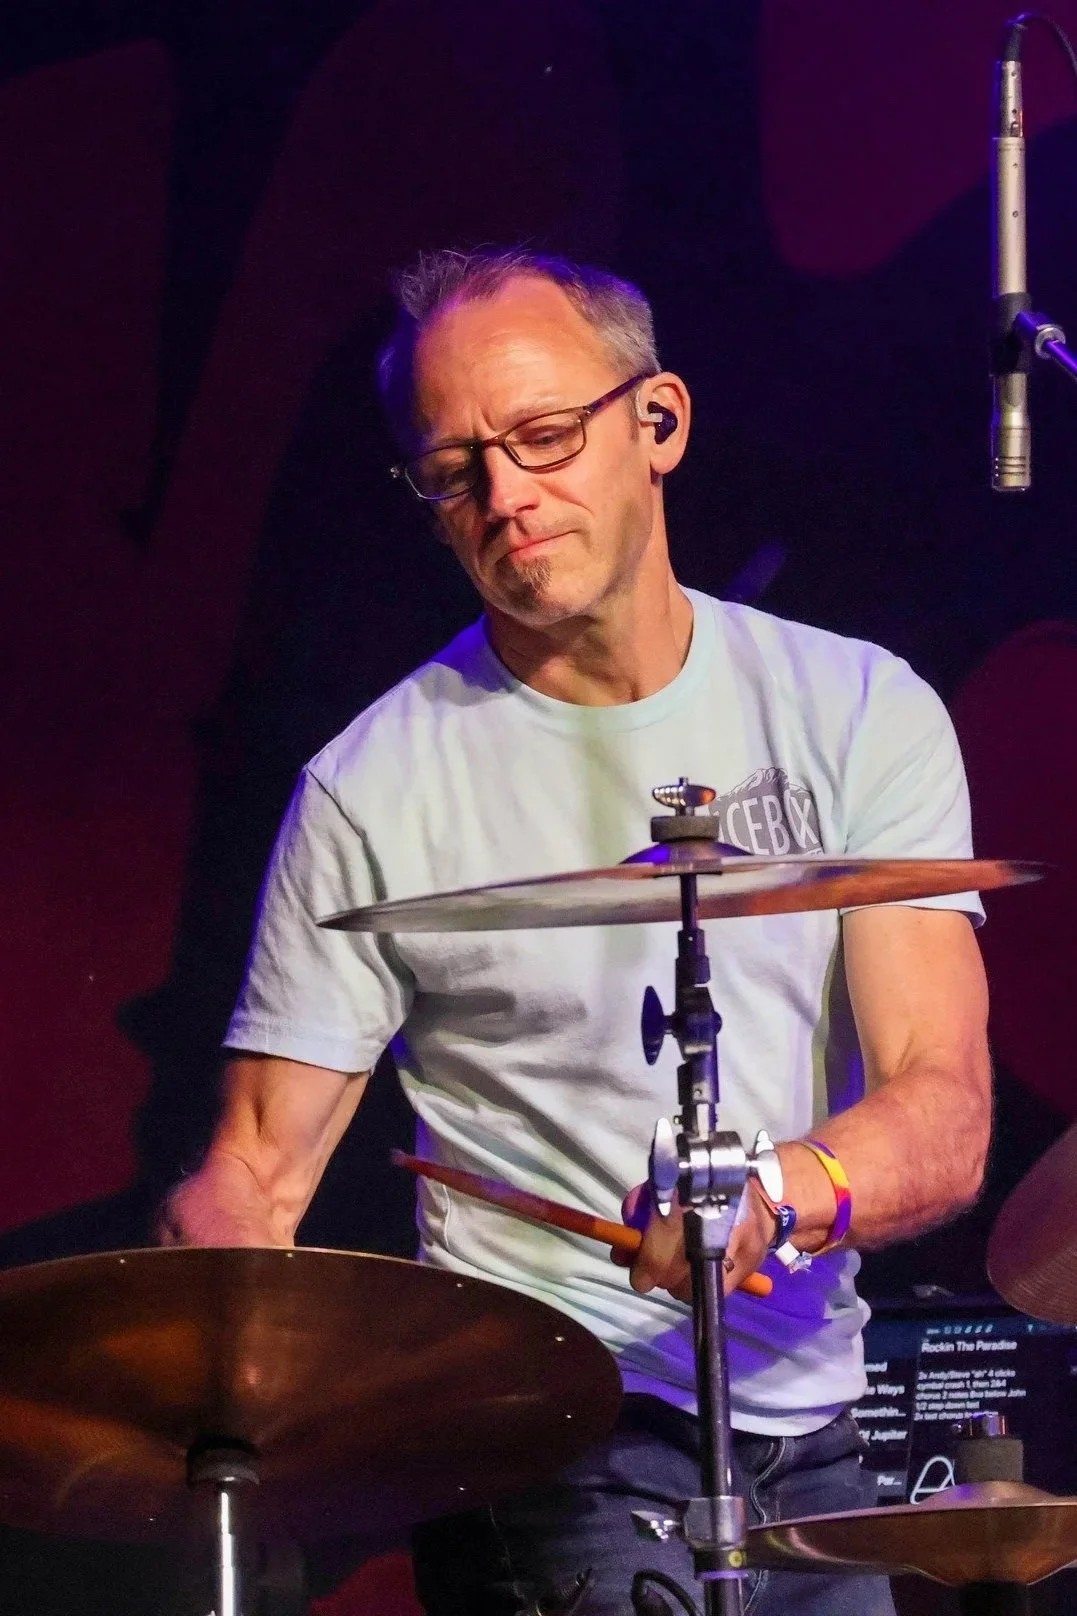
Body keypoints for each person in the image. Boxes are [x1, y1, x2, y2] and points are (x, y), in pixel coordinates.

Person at [161, 247, 991, 1616]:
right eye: (453, 470)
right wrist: (168, 1341)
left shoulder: (857, 710)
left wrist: (774, 1194)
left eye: (544, 437)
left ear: (656, 422)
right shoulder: (372, 787)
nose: (506, 496)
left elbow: (944, 1108)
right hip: (549, 1450)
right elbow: (254, 1178)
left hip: (817, 1438)